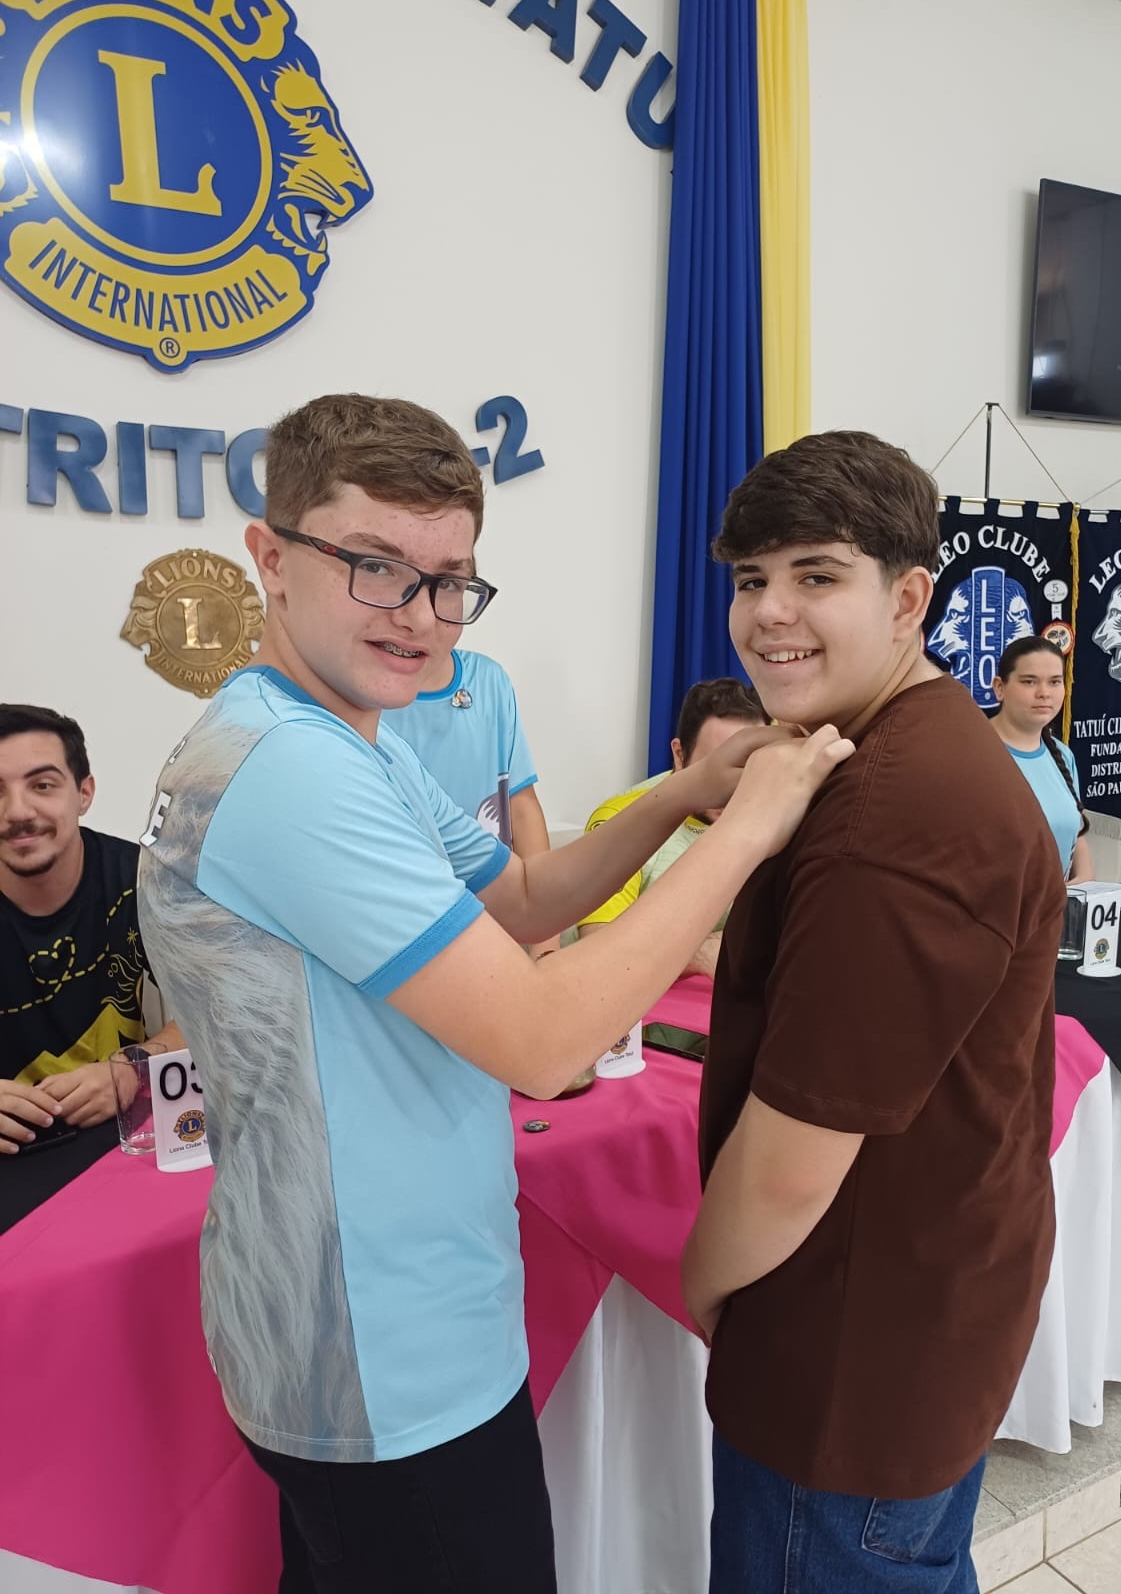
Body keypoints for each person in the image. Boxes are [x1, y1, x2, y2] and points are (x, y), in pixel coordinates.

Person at [135, 393, 852, 1594]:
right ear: (270, 557)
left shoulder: (349, 736)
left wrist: (685, 797)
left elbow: (519, 894)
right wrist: (746, 835)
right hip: (379, 1344)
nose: (420, 616)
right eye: (375, 568)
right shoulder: (291, 771)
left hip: (382, 1309)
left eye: (449, 580)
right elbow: (542, 1037)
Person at [680, 430, 1064, 1593]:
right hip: (919, 1308)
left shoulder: (897, 811)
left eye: (816, 574)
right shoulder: (889, 749)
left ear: (908, 598)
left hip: (851, 1348)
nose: (770, 611)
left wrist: (705, 1285)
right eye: (752, 577)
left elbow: (795, 1159)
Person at [0, 704, 183, 1152]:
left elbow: (222, 1011)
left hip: (126, 1134)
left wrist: (133, 1069)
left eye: (42, 785)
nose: (18, 811)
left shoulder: (145, 881)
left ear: (84, 793)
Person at [577, 677, 769, 982]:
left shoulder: (771, 812)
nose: (733, 785)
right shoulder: (624, 819)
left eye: (748, 765)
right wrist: (700, 953)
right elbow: (597, 946)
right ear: (679, 755)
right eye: (715, 765)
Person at [383, 645, 557, 956]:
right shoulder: (364, 698)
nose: (423, 621)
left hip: (498, 924)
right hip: (407, 936)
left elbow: (522, 807)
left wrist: (545, 944)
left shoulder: (489, 680)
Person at [991, 636, 1094, 881]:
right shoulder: (973, 754)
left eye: (1055, 682)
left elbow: (1073, 829)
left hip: (1061, 901)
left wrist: (1085, 876)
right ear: (999, 687)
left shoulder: (1062, 755)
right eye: (1029, 682)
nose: (1044, 693)